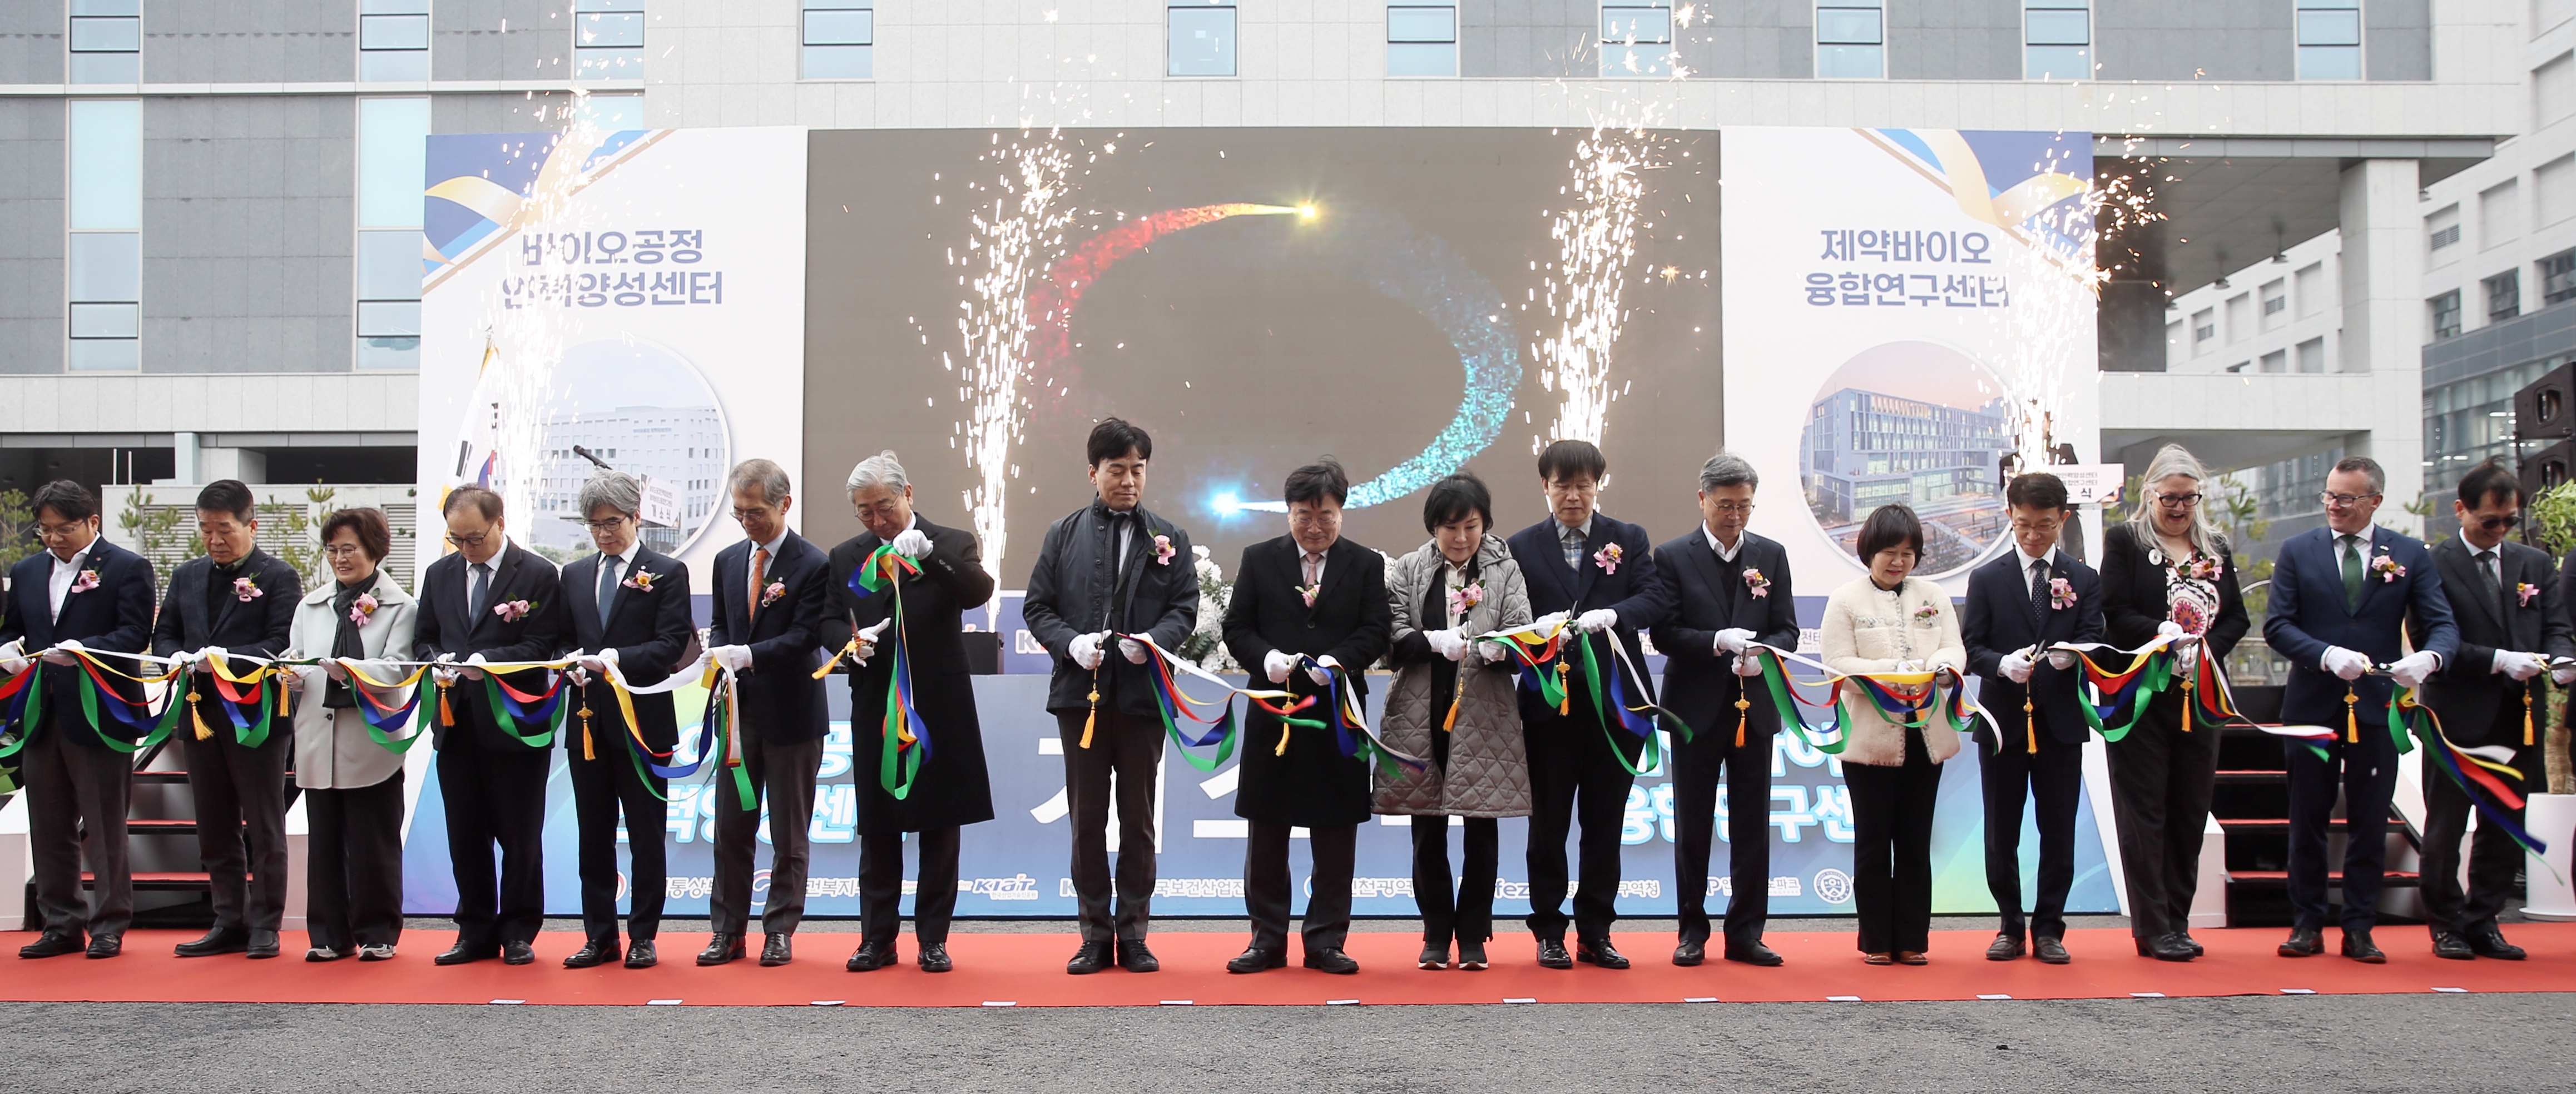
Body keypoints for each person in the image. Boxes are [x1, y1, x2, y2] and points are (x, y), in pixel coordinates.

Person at [1020, 417, 1199, 974]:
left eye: (1137, 470)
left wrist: (1154, 642)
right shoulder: (1063, 534)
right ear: (1093, 473)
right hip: (1082, 700)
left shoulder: (1170, 537)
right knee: (1087, 820)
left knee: (1139, 820)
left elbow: (1185, 608)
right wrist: (1070, 644)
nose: (1128, 481)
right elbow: (1037, 607)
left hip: (1144, 699)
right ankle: (1095, 935)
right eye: (1117, 470)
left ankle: (1135, 933)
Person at [2263, 455, 2457, 963]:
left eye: (2347, 498)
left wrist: (2431, 658)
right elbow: (2278, 625)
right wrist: (2326, 654)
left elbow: (2441, 623)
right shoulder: (2298, 550)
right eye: (2329, 495)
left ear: (2375, 501)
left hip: (2378, 704)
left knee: (2370, 820)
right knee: (2307, 816)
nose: (2334, 505)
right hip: (2312, 702)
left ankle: (2360, 927)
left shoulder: (2408, 554)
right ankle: (2307, 923)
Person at [821, 451, 997, 974]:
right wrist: (849, 644)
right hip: (876, 699)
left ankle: (933, 940)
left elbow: (978, 591)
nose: (878, 520)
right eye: (865, 512)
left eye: (885, 507)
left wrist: (931, 557)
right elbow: (827, 619)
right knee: (879, 823)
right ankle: (876, 939)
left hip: (939, 701)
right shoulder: (845, 555)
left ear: (908, 495)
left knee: (940, 823)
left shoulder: (950, 542)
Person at [1504, 439, 1672, 971]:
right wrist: (1534, 632)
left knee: (1605, 826)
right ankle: (1549, 931)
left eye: (1584, 485)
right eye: (1563, 485)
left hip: (1617, 708)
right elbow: (1509, 617)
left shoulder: (1628, 538)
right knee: (1548, 827)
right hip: (1548, 709)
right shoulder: (1520, 546)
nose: (1573, 496)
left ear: (1598, 486)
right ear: (1545, 486)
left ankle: (1596, 932)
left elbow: (1655, 598)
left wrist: (1615, 614)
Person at [1221, 458, 1393, 975]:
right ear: (1288, 512)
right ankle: (1266, 940)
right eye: (1304, 515)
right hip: (1274, 712)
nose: (1315, 527)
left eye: (1325, 516)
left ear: (1342, 512)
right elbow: (1237, 627)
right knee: (1267, 830)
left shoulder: (1365, 564)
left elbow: (1376, 630)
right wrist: (1267, 658)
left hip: (1338, 713)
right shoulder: (1259, 559)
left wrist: (1339, 661)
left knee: (1336, 831)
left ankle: (1326, 941)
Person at [2414, 459, 2571, 961]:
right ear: (2461, 509)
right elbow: (2432, 640)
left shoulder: (2534, 563)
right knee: (2446, 824)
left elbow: (2557, 625)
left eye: (2509, 521)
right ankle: (2446, 923)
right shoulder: (2433, 565)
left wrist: (2562, 658)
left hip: (2517, 711)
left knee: (2505, 820)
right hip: (2455, 710)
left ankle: (2485, 919)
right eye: (2489, 522)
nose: (2500, 530)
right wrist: (2499, 660)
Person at [1375, 472, 1532, 972]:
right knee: (1427, 829)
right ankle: (1436, 932)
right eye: (1450, 527)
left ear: (1485, 524)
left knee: (1482, 829)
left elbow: (1522, 632)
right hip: (1420, 708)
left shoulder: (1505, 570)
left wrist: (1500, 648)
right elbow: (1391, 635)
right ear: (1433, 527)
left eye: (1471, 526)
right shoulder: (1409, 568)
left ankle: (1474, 934)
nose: (1461, 538)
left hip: (1485, 711)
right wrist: (1433, 641)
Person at [2099, 444, 2250, 963]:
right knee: (2144, 813)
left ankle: (2178, 922)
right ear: (2150, 495)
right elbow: (2113, 611)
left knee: (2190, 810)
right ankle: (2152, 925)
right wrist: (2160, 634)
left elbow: (2238, 617)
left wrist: (2206, 649)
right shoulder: (2126, 541)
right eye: (2170, 498)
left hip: (2200, 694)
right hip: (2143, 695)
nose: (2180, 508)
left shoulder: (2215, 546)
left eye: (2189, 498)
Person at [1648, 450, 1798, 968]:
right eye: (1726, 505)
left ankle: (1746, 933)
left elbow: (1788, 629)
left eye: (1745, 506)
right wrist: (1716, 641)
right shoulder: (1673, 556)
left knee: (1753, 825)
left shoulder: (1771, 555)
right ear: (1702, 499)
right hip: (1695, 710)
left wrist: (1765, 654)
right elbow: (1665, 633)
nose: (1735, 516)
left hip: (1754, 707)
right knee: (1693, 824)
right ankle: (1692, 931)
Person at [1, 480, 156, 959]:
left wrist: (85, 651)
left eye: (64, 528)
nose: (54, 538)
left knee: (105, 825)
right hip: (40, 710)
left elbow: (135, 633)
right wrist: (7, 650)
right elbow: (13, 628)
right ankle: (61, 923)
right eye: (45, 530)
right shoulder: (27, 571)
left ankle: (109, 923)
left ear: (93, 521)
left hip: (101, 709)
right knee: (48, 824)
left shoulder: (126, 566)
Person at [147, 479, 302, 959]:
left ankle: (266, 923)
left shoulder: (278, 576)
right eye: (205, 529)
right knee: (214, 823)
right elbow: (165, 633)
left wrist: (224, 658)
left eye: (224, 529)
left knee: (264, 822)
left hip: (255, 713)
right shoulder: (187, 575)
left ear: (251, 526)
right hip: (199, 711)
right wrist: (176, 655)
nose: (214, 539)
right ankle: (228, 918)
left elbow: (282, 642)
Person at [413, 485, 565, 967]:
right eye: (456, 539)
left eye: (475, 538)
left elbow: (543, 644)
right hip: (456, 722)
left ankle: (519, 930)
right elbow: (424, 638)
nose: (466, 548)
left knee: (520, 837)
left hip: (515, 723)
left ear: (500, 523)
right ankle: (474, 930)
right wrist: (437, 662)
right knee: (465, 834)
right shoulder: (440, 574)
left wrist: (490, 662)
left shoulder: (537, 573)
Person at [1960, 471, 2103, 964]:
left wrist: (2074, 655)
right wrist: (2002, 664)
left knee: (2058, 829)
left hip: (2060, 723)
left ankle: (2050, 929)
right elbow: (1971, 647)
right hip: (2002, 721)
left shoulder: (2083, 578)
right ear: (2009, 516)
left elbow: (2095, 637)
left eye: (2044, 525)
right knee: (2001, 830)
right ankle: (2009, 926)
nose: (2033, 535)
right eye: (2023, 524)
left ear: (2063, 519)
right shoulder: (1987, 577)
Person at [556, 472, 696, 971]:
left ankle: (643, 935)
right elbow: (562, 638)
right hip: (588, 722)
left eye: (612, 523)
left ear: (637, 517)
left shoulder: (667, 572)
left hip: (644, 722)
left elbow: (671, 645)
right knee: (593, 835)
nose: (603, 534)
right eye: (594, 525)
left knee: (645, 834)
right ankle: (599, 936)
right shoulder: (574, 575)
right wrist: (570, 664)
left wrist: (617, 658)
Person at [1820, 504, 1966, 965]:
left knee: (1915, 842)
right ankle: (1876, 940)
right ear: (1868, 551)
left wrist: (1943, 667)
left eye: (1907, 553)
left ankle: (1912, 940)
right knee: (1873, 841)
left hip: (1926, 739)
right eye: (1889, 552)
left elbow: (1952, 646)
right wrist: (1892, 670)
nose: (1898, 561)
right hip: (1868, 744)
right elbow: (1836, 665)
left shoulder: (1933, 595)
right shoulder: (1845, 599)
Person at [700, 459, 832, 968]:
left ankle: (780, 929)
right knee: (731, 826)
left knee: (789, 832)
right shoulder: (729, 560)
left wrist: (750, 655)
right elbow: (719, 623)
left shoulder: (813, 563)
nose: (747, 522)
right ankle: (727, 931)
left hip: (793, 714)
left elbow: (805, 636)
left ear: (784, 504)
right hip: (739, 713)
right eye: (739, 513)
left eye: (755, 512)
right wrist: (720, 652)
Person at [284, 507, 416, 962]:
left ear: (375, 550)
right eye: (332, 550)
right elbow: (296, 654)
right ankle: (328, 934)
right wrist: (291, 674)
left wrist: (353, 671)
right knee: (324, 842)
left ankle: (378, 931)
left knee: (372, 841)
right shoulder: (311, 605)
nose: (340, 558)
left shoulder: (401, 606)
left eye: (350, 549)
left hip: (371, 739)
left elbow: (399, 667)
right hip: (318, 738)